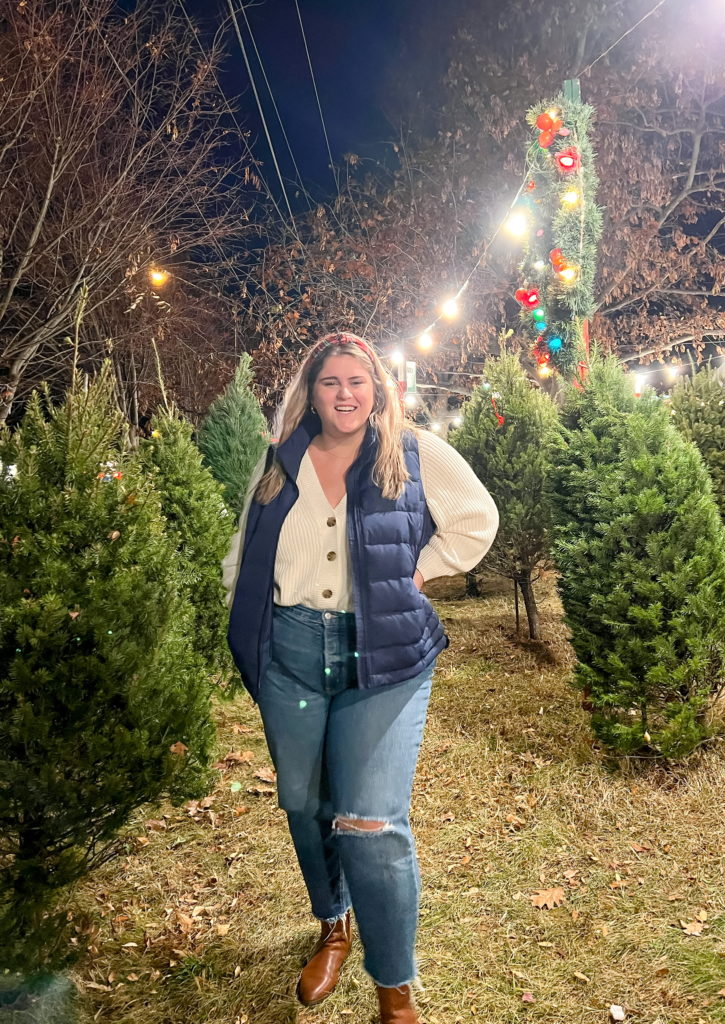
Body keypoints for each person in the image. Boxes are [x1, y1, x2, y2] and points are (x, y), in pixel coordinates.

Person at [223, 332, 498, 1024]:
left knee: (370, 823)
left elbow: (475, 520)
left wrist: (422, 569)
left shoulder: (412, 453)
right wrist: (244, 619)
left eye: (358, 381)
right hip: (289, 651)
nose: (345, 394)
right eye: (330, 382)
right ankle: (332, 922)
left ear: (378, 389)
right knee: (304, 804)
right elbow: (242, 550)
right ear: (310, 391)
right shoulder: (280, 460)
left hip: (383, 656)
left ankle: (394, 987)